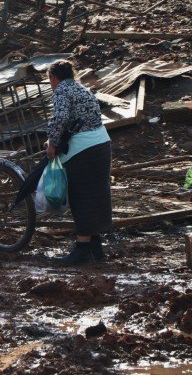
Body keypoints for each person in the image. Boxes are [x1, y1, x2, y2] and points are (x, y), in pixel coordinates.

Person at [45, 59, 112, 264]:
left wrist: (52, 144)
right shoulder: (81, 88)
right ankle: (95, 246)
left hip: (84, 150)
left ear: (54, 78)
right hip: (101, 145)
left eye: (50, 80)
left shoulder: (62, 90)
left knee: (80, 196)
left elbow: (61, 118)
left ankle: (82, 247)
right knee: (96, 195)